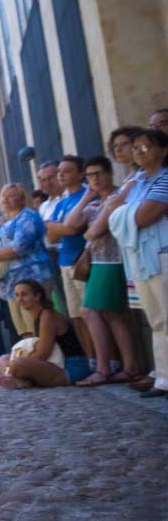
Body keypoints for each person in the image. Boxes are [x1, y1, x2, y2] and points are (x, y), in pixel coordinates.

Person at [106, 128, 168, 398]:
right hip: (141, 258)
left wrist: (123, 212)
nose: (139, 152)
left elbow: (145, 216)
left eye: (146, 147)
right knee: (156, 320)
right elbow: (110, 212)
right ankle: (164, 378)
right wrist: (125, 211)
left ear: (163, 151)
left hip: (162, 254)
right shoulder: (137, 182)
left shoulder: (165, 178)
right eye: (136, 148)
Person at [69, 156, 141, 385]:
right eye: (90, 175)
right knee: (112, 314)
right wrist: (86, 196)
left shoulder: (118, 196)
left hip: (113, 261)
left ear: (110, 173)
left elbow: (94, 231)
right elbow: (71, 223)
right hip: (98, 263)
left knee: (89, 310)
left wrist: (89, 233)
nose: (95, 179)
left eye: (99, 173)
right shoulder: (93, 203)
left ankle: (103, 369)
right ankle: (129, 366)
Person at [0, 184, 54, 338]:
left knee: (38, 326)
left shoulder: (28, 216)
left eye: (11, 195)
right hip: (13, 281)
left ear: (23, 199)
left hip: (34, 277)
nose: (5, 199)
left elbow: (19, 248)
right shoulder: (6, 223)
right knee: (24, 330)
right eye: (3, 196)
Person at [0, 280, 91, 389]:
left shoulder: (47, 315)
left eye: (24, 295)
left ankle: (16, 377)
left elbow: (42, 354)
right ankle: (20, 379)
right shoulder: (37, 314)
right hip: (53, 363)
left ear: (37, 296)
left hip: (70, 367)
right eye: (17, 295)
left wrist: (21, 360)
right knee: (3, 359)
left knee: (16, 364)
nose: (19, 299)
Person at [45, 155, 93, 358]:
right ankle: (90, 359)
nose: (61, 175)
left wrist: (53, 225)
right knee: (75, 315)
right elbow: (52, 236)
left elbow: (73, 229)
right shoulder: (61, 203)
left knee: (91, 313)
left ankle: (106, 359)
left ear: (80, 174)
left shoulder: (88, 195)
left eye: (67, 171)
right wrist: (59, 227)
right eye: (59, 172)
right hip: (64, 260)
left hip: (82, 260)